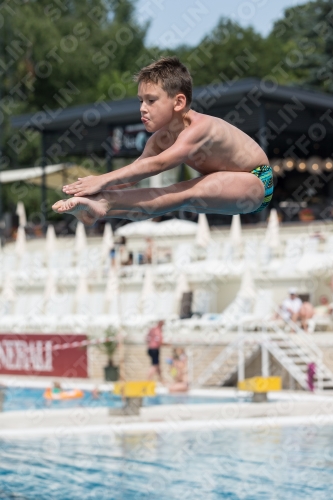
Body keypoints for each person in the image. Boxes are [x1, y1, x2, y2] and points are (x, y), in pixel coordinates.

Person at [52, 57, 273, 224]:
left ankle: (106, 204)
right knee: (167, 199)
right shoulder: (160, 140)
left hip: (256, 182)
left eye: (151, 100)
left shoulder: (201, 128)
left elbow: (158, 164)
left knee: (184, 191)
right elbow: (133, 174)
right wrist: (92, 192)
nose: (142, 108)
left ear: (178, 102)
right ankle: (97, 208)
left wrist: (101, 179)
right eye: (140, 100)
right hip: (222, 183)